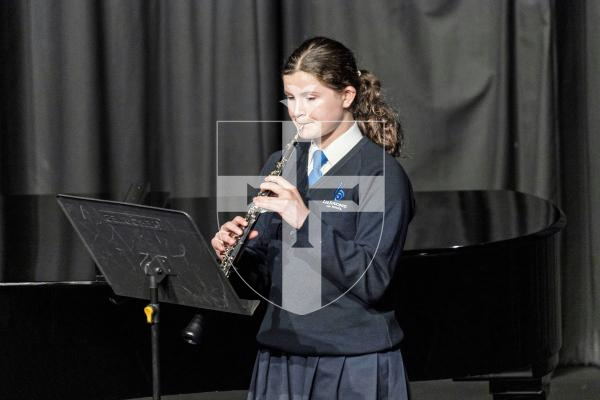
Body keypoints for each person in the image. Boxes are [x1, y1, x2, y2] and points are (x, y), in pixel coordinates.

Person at [211, 37, 414, 400]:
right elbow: (268, 276)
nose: (297, 111)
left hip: (351, 362)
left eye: (311, 97)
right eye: (290, 97)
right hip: (281, 354)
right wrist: (238, 253)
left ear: (347, 96)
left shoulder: (381, 173)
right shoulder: (282, 161)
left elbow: (373, 280)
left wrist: (304, 219)